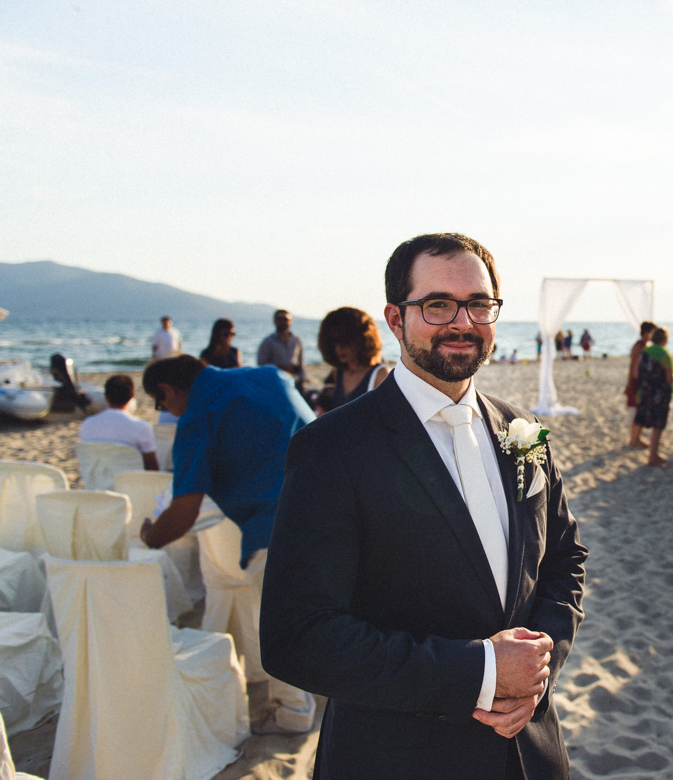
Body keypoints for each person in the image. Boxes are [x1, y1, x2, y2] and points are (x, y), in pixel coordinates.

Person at [259, 233, 588, 779]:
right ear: (395, 318)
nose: (462, 321)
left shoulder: (523, 431)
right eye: (437, 304)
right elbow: (298, 637)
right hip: (398, 755)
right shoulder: (333, 449)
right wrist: (481, 671)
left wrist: (538, 666)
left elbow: (564, 557)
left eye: (479, 304)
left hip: (528, 750)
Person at [140, 354, 317, 735]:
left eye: (160, 404)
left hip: (276, 528)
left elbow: (184, 512)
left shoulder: (197, 417)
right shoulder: (273, 375)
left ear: (167, 390)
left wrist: (149, 535)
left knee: (278, 629)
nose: (165, 412)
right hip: (336, 508)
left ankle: (292, 712)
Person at [316, 307, 390, 413]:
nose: (339, 348)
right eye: (334, 342)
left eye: (345, 341)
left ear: (362, 340)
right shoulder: (339, 372)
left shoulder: (380, 374)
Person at [78, 374, 159, 470]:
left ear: (106, 396)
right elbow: (152, 467)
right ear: (133, 395)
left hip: (98, 482)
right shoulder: (141, 426)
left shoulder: (88, 424)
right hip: (130, 483)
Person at [635, 326, 673, 468]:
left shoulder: (644, 352)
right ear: (664, 340)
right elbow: (669, 378)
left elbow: (636, 373)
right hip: (660, 394)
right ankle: (653, 456)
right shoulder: (664, 354)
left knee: (644, 418)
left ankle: (639, 442)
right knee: (658, 425)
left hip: (645, 392)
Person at [257, 309, 307, 392]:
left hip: (294, 380)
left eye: (286, 319)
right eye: (280, 319)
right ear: (275, 321)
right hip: (276, 381)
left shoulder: (296, 340)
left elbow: (301, 361)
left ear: (291, 322)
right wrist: (282, 368)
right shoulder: (268, 341)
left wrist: (302, 379)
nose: (283, 322)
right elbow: (261, 364)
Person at [625, 321, 656, 448]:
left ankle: (637, 437)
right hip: (637, 382)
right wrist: (629, 384)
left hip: (643, 382)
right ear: (647, 332)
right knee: (638, 411)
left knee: (642, 410)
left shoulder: (647, 345)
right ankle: (634, 439)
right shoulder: (638, 346)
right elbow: (632, 365)